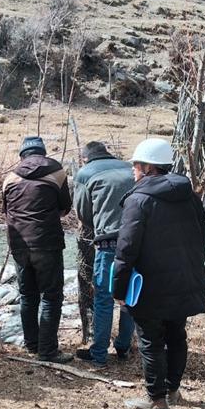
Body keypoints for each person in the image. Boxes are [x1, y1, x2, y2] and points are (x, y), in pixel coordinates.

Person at [113, 138, 205, 409]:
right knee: (177, 335)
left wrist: (118, 288)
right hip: (184, 280)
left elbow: (126, 248)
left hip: (150, 284)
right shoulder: (189, 194)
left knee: (150, 340)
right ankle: (172, 390)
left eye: (135, 164)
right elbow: (201, 238)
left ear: (148, 167)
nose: (132, 169)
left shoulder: (138, 199)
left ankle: (156, 400)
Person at [2, 136, 73, 364]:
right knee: (51, 298)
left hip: (19, 244)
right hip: (47, 242)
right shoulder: (58, 173)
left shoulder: (9, 178)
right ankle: (48, 351)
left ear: (21, 156)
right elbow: (65, 208)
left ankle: (32, 345)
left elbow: (6, 209)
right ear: (43, 154)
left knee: (27, 296)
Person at [73, 141, 136, 368]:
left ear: (85, 158)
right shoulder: (129, 167)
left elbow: (82, 212)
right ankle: (123, 347)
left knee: (103, 297)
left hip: (108, 242)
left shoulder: (84, 173)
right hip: (136, 242)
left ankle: (99, 352)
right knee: (129, 297)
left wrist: (99, 228)